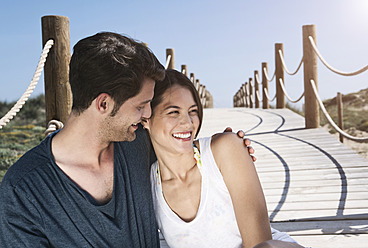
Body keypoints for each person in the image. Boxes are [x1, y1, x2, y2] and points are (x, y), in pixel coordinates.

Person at [0, 32, 253, 247]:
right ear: (104, 103)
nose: (148, 114)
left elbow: (184, 146)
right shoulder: (23, 191)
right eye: (141, 105)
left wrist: (231, 149)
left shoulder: (139, 143)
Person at [142, 69, 305, 248]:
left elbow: (260, 243)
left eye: (193, 111)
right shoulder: (147, 185)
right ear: (145, 118)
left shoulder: (224, 150)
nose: (188, 123)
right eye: (173, 112)